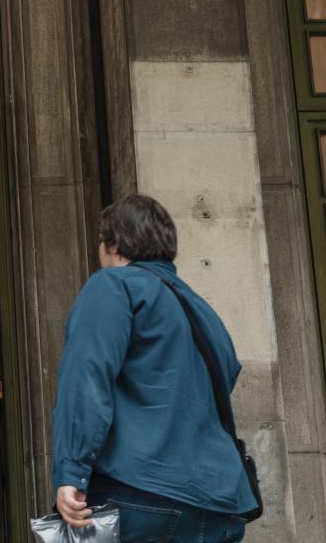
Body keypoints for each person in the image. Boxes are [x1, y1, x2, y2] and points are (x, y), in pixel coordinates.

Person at [51, 194, 258, 542]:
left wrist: (71, 472)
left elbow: (86, 381)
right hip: (220, 504)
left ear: (113, 245)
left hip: (138, 492)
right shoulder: (202, 311)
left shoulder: (112, 285)